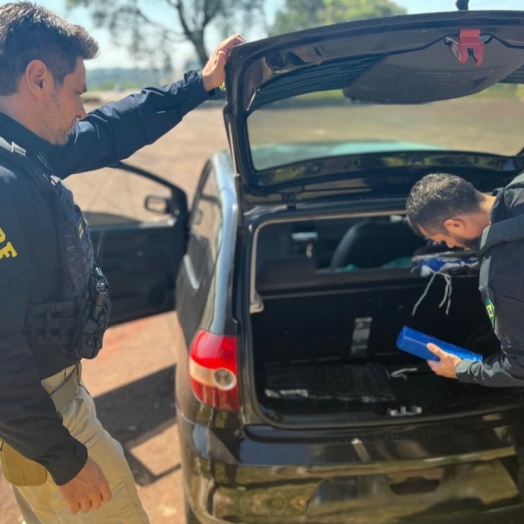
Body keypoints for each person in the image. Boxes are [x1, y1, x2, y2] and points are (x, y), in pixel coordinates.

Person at [0, 2, 244, 522]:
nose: (82, 109)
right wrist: (64, 460)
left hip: (43, 410)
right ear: (37, 79)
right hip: (46, 419)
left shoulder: (26, 147)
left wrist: (200, 84)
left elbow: (111, 129)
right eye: (76, 94)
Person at [406, 172, 524, 387]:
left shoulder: (499, 275)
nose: (450, 247)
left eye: (443, 239)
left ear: (455, 225)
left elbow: (521, 367)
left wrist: (462, 369)